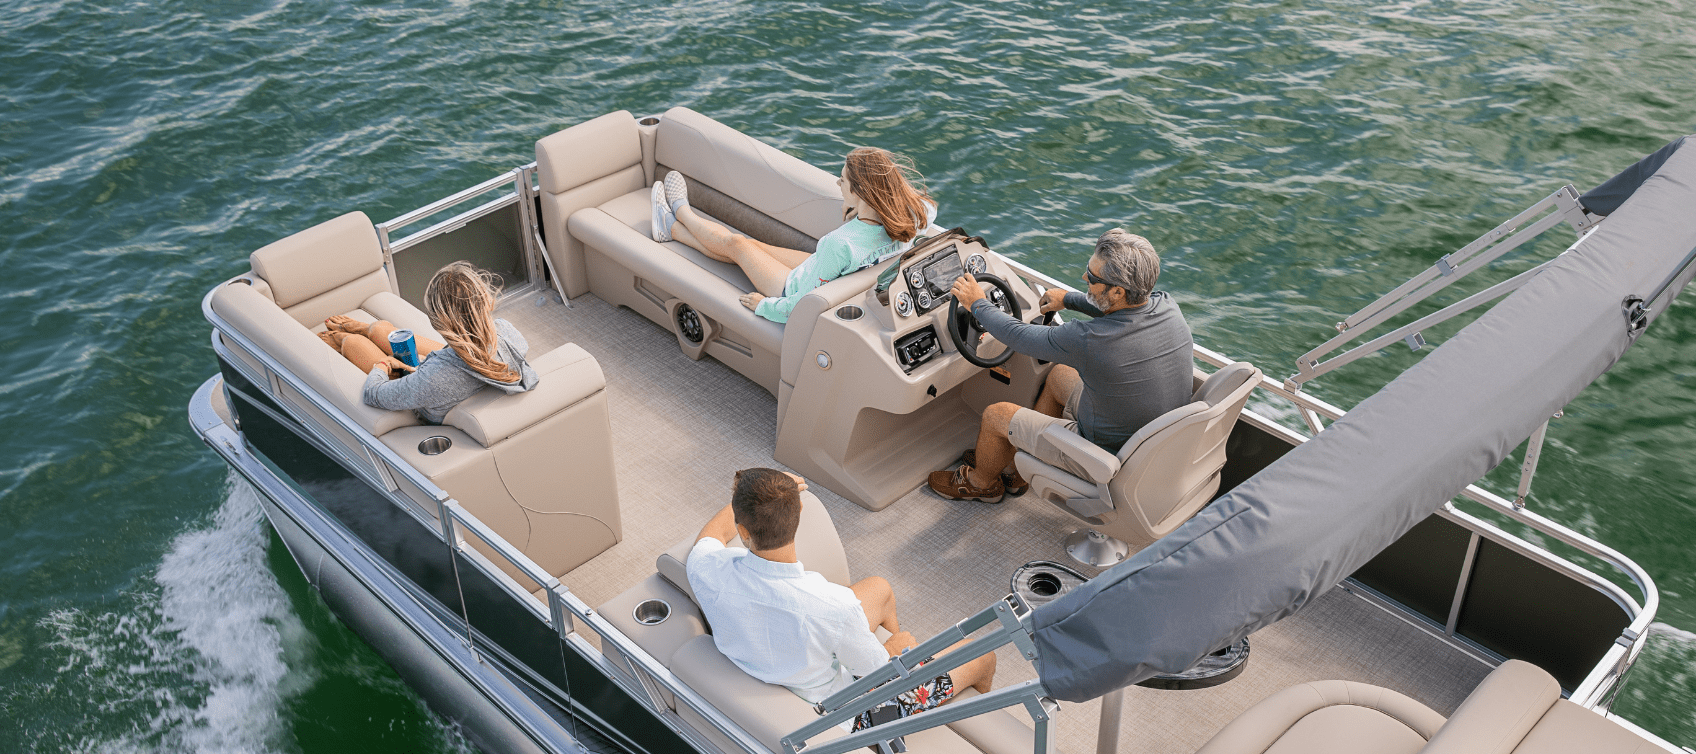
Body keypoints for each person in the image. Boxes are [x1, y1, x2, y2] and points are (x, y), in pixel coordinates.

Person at [687, 468, 996, 731]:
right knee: (983, 655)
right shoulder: (832, 606)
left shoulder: (707, 569)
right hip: (848, 712)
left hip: (772, 664)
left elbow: (716, 529)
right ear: (800, 512)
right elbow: (878, 674)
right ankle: (977, 726)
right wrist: (892, 650)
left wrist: (764, 495)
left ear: (743, 530)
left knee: (879, 588)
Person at [928, 229, 1194, 504]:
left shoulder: (1088, 340)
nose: (1084, 279)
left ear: (1116, 290)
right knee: (1059, 375)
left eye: (1092, 278)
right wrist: (1068, 299)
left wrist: (977, 304)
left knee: (997, 416)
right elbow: (1123, 312)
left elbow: (1017, 336)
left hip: (1104, 458)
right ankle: (1018, 470)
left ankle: (980, 484)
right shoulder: (1167, 306)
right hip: (1153, 447)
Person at [651, 147, 940, 323]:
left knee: (737, 244)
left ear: (860, 192)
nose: (838, 182)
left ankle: (680, 214)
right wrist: (860, 206)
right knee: (753, 246)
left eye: (844, 180)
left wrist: (764, 306)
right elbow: (922, 204)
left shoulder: (839, 244)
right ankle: (672, 231)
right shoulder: (914, 219)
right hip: (829, 274)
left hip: (792, 287)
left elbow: (799, 306)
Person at [320, 261, 539, 424]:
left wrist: (383, 366)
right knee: (380, 330)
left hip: (430, 389)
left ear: (437, 321)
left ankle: (345, 336)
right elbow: (455, 371)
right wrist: (428, 366)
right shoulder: (508, 334)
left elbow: (373, 393)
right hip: (456, 366)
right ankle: (369, 328)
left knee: (351, 342)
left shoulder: (431, 379)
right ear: (485, 302)